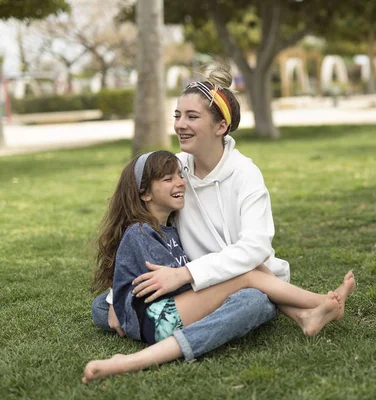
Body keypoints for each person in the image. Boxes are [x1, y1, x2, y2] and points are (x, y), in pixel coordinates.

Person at [89, 60, 355, 369]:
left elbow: (255, 249)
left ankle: (169, 343)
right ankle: (304, 310)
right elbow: (138, 223)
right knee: (102, 306)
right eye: (177, 115)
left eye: (191, 116)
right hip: (187, 290)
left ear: (220, 127)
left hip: (248, 281)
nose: (179, 125)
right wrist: (115, 301)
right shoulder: (174, 170)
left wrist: (185, 274)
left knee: (253, 302)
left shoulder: (245, 174)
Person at [83, 150, 355, 382]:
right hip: (157, 318)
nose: (180, 183)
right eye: (168, 179)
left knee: (254, 269)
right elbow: (147, 284)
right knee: (246, 275)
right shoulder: (142, 233)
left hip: (170, 311)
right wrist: (118, 303)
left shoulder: (169, 230)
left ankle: (304, 316)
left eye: (180, 176)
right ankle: (321, 301)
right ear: (144, 194)